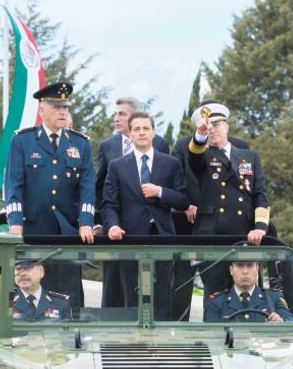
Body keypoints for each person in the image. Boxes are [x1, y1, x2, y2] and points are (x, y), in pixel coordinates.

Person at [4, 81, 96, 310]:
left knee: (68, 290)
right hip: (34, 229)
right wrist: (15, 223)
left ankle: (73, 337)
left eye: (65, 107)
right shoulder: (22, 140)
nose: (62, 112)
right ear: (41, 110)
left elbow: (87, 188)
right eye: (56, 107)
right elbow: (13, 186)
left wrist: (86, 222)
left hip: (67, 230)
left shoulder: (80, 143)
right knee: (30, 288)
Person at [169, 100, 250, 320]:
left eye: (217, 122)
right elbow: (178, 180)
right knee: (181, 285)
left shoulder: (240, 146)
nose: (213, 126)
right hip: (189, 228)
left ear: (225, 124)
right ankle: (178, 331)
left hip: (227, 228)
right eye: (208, 121)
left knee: (221, 285)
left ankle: (222, 330)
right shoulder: (185, 145)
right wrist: (187, 204)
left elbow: (246, 187)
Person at [102, 112, 188, 317]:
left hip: (162, 238)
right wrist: (112, 225)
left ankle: (159, 342)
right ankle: (134, 342)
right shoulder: (117, 166)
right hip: (130, 237)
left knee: (162, 293)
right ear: (129, 134)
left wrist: (159, 192)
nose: (141, 133)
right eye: (137, 129)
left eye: (146, 128)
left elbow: (184, 200)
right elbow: (109, 204)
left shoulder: (170, 163)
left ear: (153, 132)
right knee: (131, 293)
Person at [188, 103, 271, 295]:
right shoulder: (204, 156)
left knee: (246, 292)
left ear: (226, 127)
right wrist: (200, 134)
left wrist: (260, 227)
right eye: (207, 127)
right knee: (215, 295)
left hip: (243, 234)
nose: (212, 130)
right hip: (212, 235)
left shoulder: (249, 157)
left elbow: (260, 194)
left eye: (216, 125)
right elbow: (194, 156)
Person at [95, 97, 169, 220]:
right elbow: (99, 186)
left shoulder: (159, 144)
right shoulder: (107, 146)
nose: (116, 119)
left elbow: (167, 183)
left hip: (152, 220)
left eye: (122, 114)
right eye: (115, 114)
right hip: (118, 221)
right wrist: (102, 220)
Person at [203, 260, 293, 323]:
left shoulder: (273, 298)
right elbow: (212, 337)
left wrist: (281, 322)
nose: (245, 271)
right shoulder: (216, 302)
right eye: (239, 265)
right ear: (231, 270)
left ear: (257, 269)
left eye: (250, 265)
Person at [0, 259, 71, 323]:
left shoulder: (61, 304)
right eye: (18, 269)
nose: (22, 274)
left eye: (27, 268)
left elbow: (67, 337)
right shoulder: (2, 303)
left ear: (41, 271)